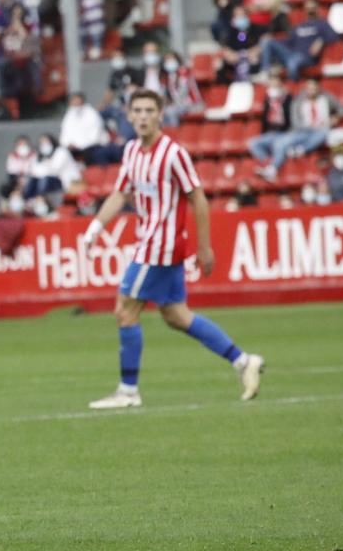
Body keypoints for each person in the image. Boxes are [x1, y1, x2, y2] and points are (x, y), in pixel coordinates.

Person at [85, 88, 266, 411]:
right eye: (137, 110)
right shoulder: (130, 151)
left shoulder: (173, 154)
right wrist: (96, 227)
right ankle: (243, 361)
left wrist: (205, 247)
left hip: (161, 245)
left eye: (148, 111)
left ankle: (128, 391)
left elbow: (198, 197)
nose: (142, 116)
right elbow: (121, 193)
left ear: (160, 115)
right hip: (151, 243)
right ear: (128, 115)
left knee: (125, 309)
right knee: (176, 315)